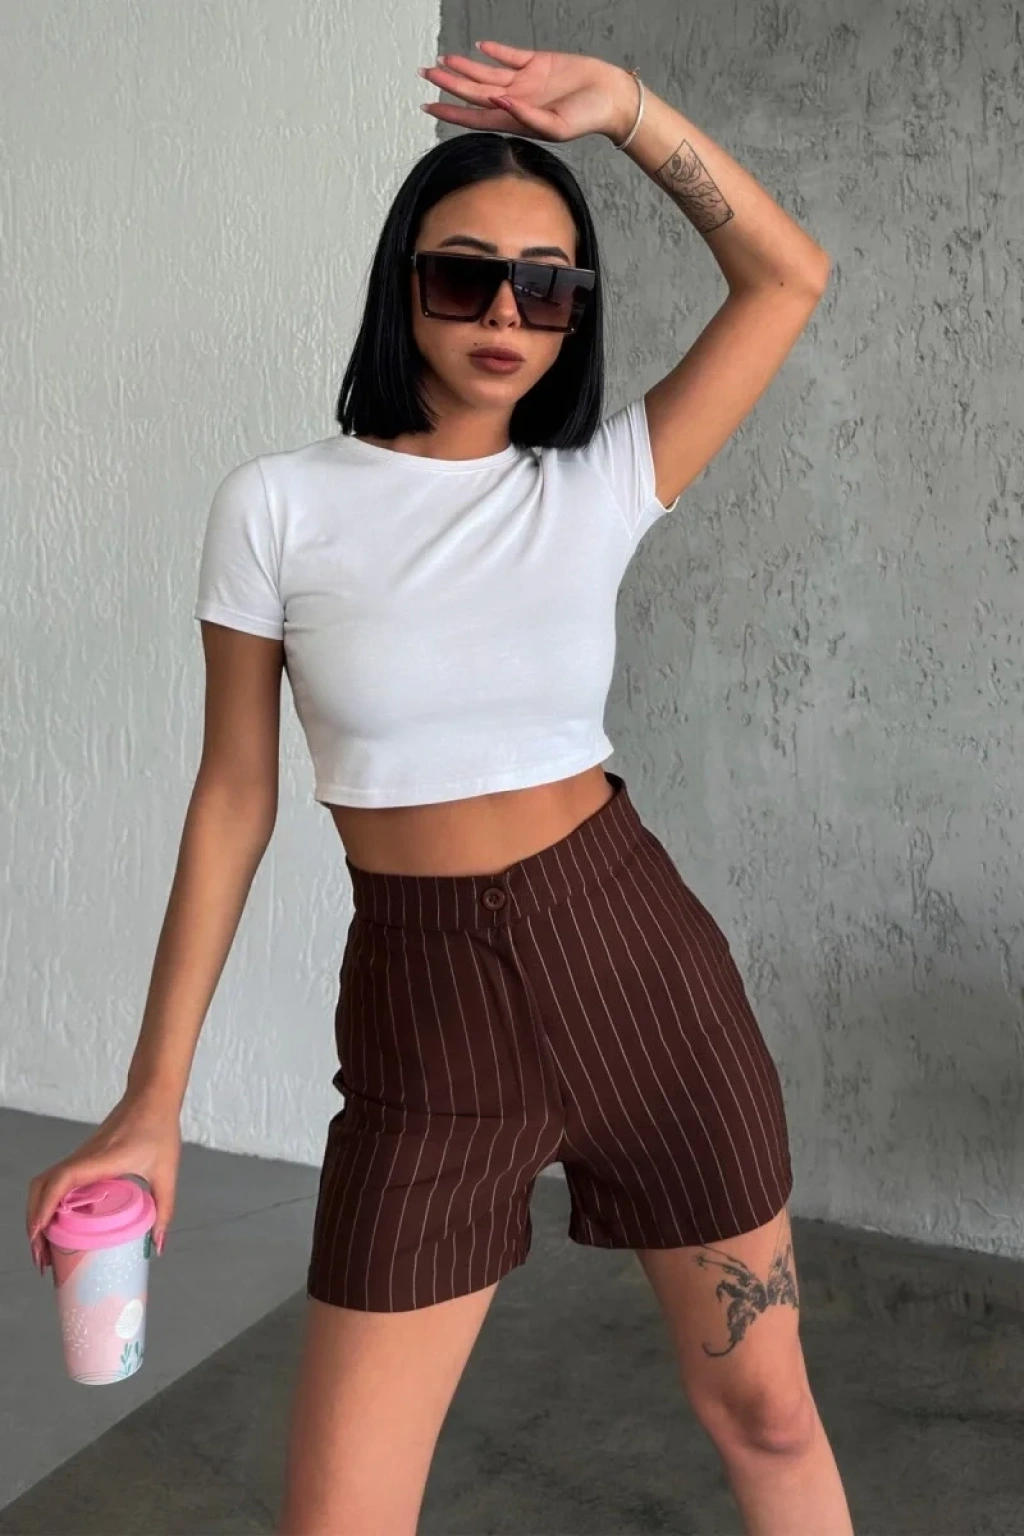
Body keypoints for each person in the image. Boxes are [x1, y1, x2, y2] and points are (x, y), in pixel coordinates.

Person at [26, 38, 850, 1536]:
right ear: (402, 282)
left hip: (640, 969)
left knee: (773, 1415)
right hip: (426, 1008)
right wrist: (153, 1100)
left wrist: (631, 114)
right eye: (467, 276)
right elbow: (234, 799)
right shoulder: (278, 507)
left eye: (548, 286)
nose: (506, 315)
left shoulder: (594, 484)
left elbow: (787, 277)